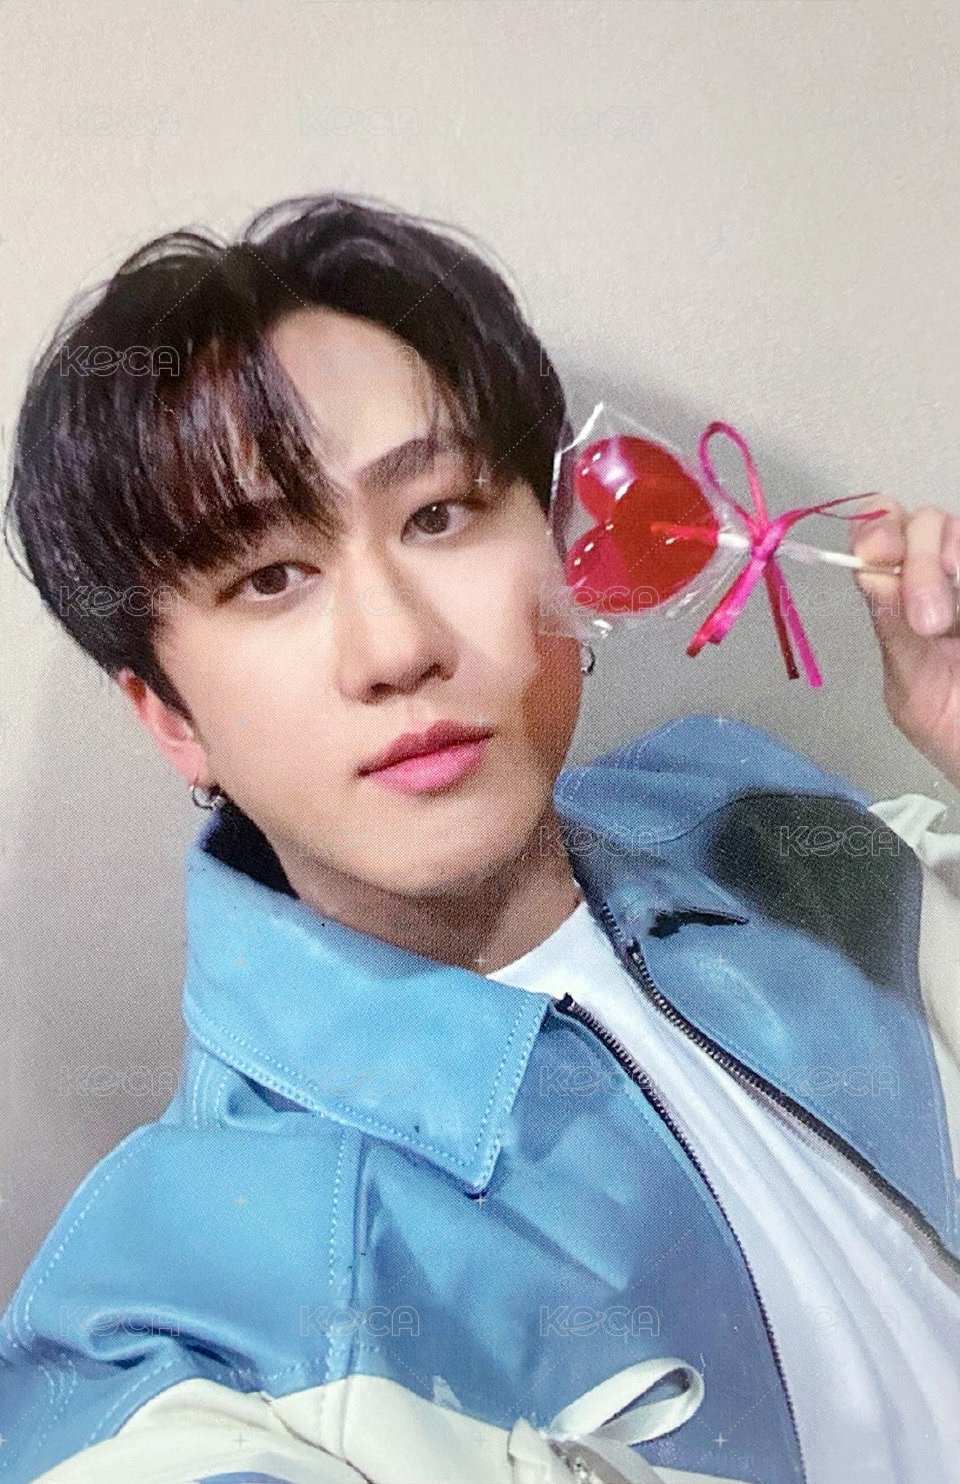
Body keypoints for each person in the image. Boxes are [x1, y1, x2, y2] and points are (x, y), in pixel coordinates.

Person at [1, 192, 959, 1484]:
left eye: (439, 514)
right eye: (270, 578)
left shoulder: (774, 831)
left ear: (562, 545)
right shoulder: (177, 1315)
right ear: (172, 719)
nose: (398, 646)